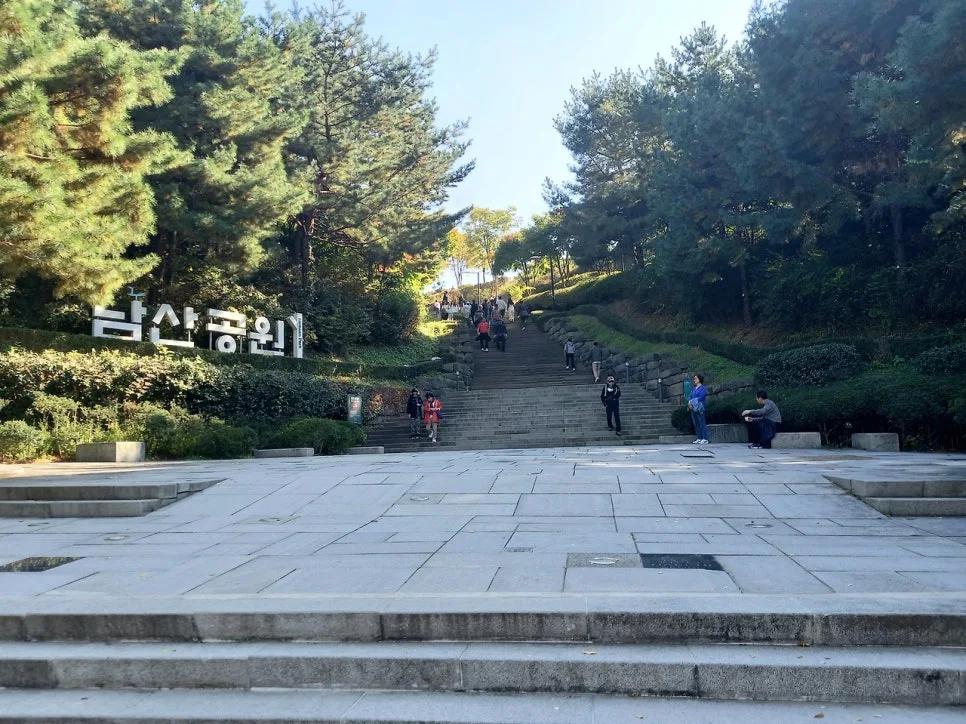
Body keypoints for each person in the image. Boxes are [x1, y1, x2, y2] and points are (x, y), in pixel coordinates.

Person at [687, 374, 710, 444]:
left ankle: (705, 438)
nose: (694, 380)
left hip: (700, 407)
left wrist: (692, 402)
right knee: (696, 423)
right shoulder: (694, 389)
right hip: (693, 408)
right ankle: (699, 438)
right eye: (694, 379)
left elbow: (701, 397)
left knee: (702, 423)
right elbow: (690, 396)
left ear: (699, 379)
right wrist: (689, 403)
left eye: (696, 378)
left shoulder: (703, 388)